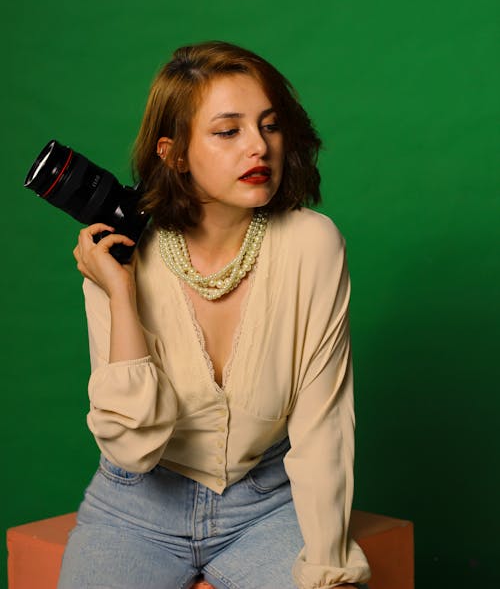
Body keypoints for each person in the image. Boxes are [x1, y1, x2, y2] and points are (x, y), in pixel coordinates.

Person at [58, 41, 371, 589]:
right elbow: (133, 446)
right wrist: (119, 292)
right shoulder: (121, 253)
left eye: (269, 126)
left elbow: (324, 424)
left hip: (268, 506)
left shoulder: (311, 245)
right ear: (174, 153)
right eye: (228, 132)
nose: (259, 147)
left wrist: (328, 565)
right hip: (136, 510)